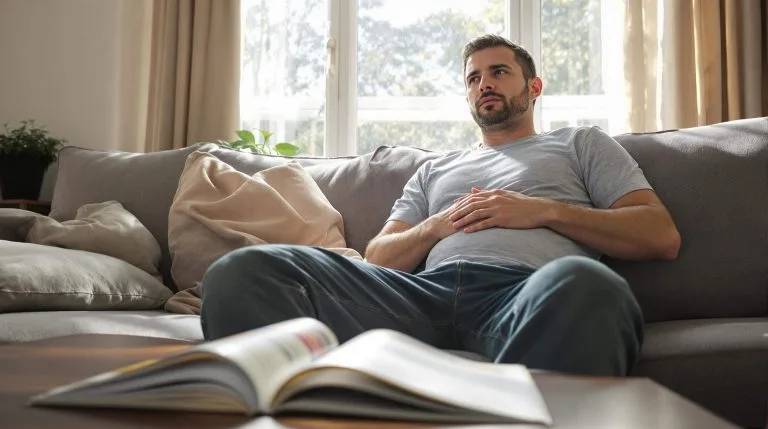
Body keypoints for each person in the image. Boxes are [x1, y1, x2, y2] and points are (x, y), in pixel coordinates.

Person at [200, 34, 681, 376]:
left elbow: (660, 236)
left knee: (592, 287)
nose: (484, 83)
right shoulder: (435, 169)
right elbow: (378, 257)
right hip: (419, 296)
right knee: (243, 272)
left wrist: (544, 211)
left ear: (533, 87)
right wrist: (435, 227)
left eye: (499, 72)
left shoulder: (580, 144)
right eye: (473, 78)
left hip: (524, 297)